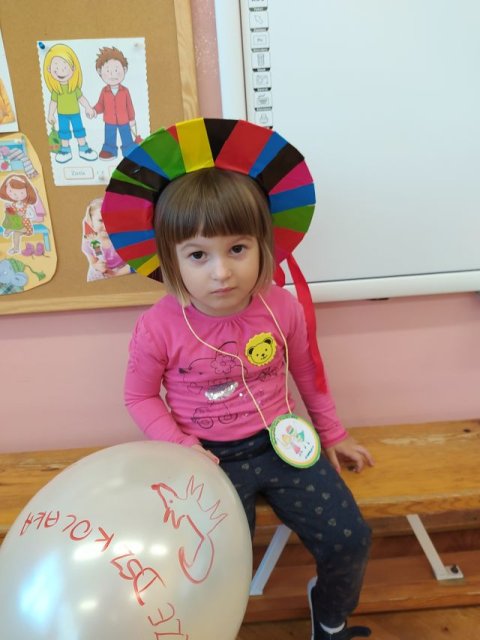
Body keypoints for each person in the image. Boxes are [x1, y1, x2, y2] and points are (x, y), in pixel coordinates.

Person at [102, 118, 374, 640]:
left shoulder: (281, 307)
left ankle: (330, 617)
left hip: (282, 442)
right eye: (198, 255)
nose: (221, 272)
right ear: (170, 259)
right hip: (207, 456)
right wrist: (183, 446)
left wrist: (333, 433)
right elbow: (139, 396)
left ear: (262, 244)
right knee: (219, 566)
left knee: (350, 539)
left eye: (237, 249)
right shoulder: (159, 326)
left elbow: (307, 371)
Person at [43, 43, 97, 163]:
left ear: (73, 68)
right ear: (49, 70)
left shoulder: (74, 88)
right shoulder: (56, 90)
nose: (61, 72)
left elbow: (81, 98)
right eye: (56, 69)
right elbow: (53, 102)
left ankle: (84, 149)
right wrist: (50, 114)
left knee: (79, 130)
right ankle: (65, 150)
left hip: (75, 114)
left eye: (64, 68)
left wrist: (88, 107)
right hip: (62, 115)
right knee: (64, 132)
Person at [93, 46, 139, 159]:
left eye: (116, 70)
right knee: (109, 136)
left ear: (125, 70)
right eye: (108, 71)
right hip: (109, 120)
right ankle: (109, 150)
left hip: (124, 120)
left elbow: (129, 106)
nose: (112, 75)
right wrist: (94, 110)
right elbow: (100, 105)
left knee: (126, 136)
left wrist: (132, 119)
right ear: (100, 72)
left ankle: (129, 150)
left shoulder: (125, 91)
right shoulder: (104, 91)